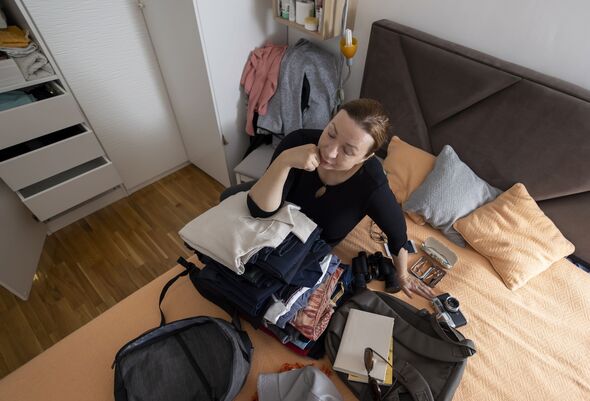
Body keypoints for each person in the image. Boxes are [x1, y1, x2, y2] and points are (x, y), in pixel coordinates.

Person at [227, 98, 434, 300]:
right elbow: (260, 211)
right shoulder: (298, 141)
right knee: (227, 198)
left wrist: (403, 276)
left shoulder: (372, 185)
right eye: (331, 133)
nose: (330, 151)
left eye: (348, 150)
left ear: (365, 158)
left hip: (298, 250)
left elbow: (398, 235)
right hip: (269, 223)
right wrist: (285, 161)